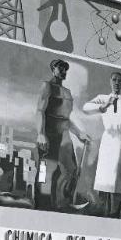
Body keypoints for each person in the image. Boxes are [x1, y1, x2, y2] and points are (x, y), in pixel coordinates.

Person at [83, 72, 121, 217]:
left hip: (119, 141)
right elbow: (86, 107)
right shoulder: (103, 98)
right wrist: (102, 107)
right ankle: (103, 211)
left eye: (119, 80)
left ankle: (114, 213)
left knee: (116, 179)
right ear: (110, 81)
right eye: (114, 80)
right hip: (107, 141)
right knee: (104, 177)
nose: (117, 83)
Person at [36, 59, 90, 210]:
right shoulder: (47, 86)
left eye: (65, 69)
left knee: (70, 169)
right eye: (60, 68)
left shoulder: (67, 92)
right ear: (53, 69)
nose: (63, 71)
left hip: (64, 135)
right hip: (49, 133)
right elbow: (40, 111)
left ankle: (62, 203)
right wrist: (40, 133)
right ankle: (42, 205)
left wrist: (79, 134)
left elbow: (67, 119)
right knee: (46, 171)